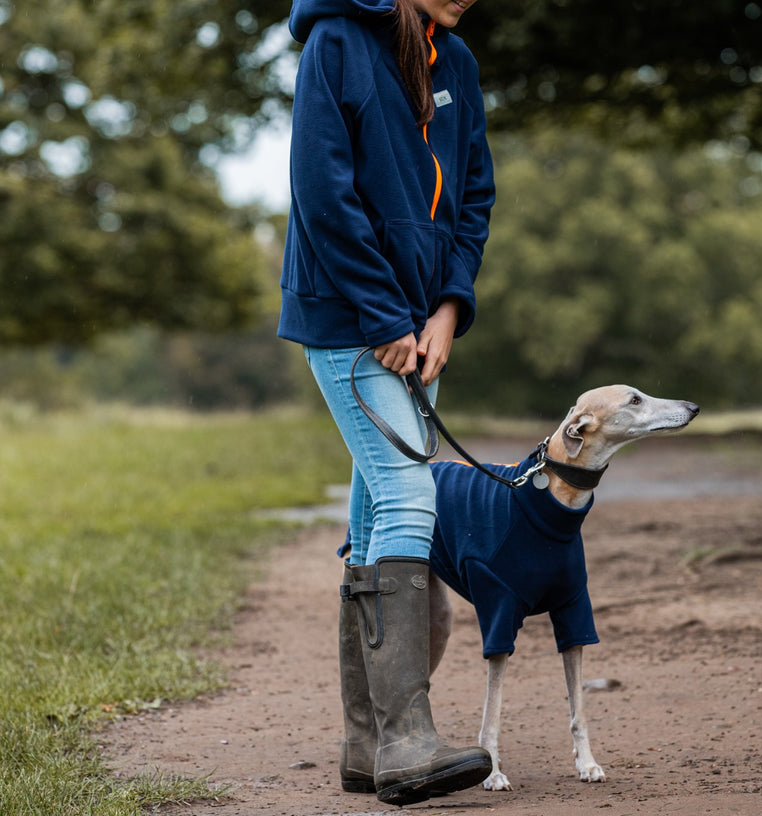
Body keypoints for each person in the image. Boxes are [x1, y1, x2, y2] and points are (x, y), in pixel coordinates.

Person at [278, 0, 494, 806]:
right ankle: (406, 739)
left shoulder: (458, 63)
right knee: (409, 492)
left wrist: (445, 310)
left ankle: (368, 746)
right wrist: (382, 316)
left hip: (419, 323)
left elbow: (475, 194)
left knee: (375, 513)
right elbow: (321, 191)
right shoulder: (335, 41)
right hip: (350, 317)